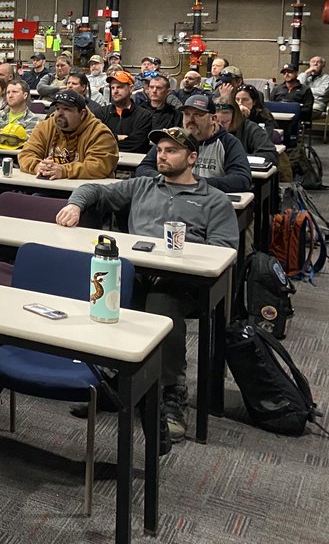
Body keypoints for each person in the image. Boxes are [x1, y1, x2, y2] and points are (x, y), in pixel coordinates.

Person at [58, 127, 238, 442]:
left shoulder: (214, 200)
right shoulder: (142, 186)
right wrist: (75, 204)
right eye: (160, 150)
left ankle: (171, 392)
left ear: (192, 158)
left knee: (161, 301)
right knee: (108, 289)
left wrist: (184, 258)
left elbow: (223, 253)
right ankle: (114, 378)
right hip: (137, 272)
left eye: (171, 151)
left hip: (184, 282)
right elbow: (95, 190)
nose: (162, 156)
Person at [135, 93, 251, 192]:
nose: (191, 119)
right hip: (171, 196)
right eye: (187, 114)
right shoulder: (172, 137)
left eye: (197, 114)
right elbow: (143, 169)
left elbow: (242, 179)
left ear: (213, 119)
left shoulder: (228, 142)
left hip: (208, 202)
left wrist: (195, 183)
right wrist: (168, 180)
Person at [18, 89, 119, 179]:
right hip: (49, 187)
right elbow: (26, 154)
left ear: (82, 114)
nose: (59, 114)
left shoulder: (99, 133)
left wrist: (64, 171)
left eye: (66, 109)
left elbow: (100, 165)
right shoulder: (45, 127)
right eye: (57, 108)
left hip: (88, 193)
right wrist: (38, 166)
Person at [100, 68, 156, 153]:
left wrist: (106, 141)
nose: (115, 91)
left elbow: (138, 144)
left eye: (119, 87)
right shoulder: (101, 113)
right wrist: (118, 137)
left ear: (131, 88)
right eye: (112, 87)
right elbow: (92, 140)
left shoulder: (144, 115)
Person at [215, 97, 277, 165]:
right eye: (216, 121)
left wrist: (237, 158)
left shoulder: (252, 129)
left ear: (235, 119)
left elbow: (271, 156)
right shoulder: (207, 131)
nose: (219, 126)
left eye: (225, 122)